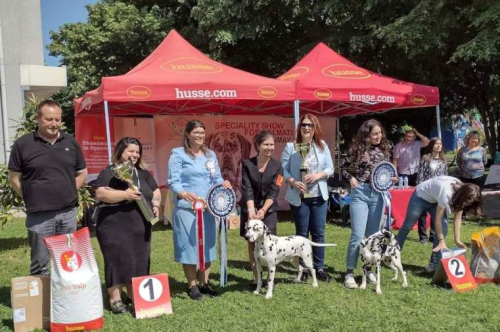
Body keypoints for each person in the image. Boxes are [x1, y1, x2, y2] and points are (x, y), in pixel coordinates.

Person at [8, 100, 88, 276]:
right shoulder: (23, 144)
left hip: (67, 213)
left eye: (57, 120)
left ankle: (64, 298)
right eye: (49, 119)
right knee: (40, 261)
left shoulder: (71, 142)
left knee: (68, 259)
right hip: (39, 215)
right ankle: (41, 302)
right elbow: (14, 178)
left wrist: (69, 191)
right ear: (38, 118)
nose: (54, 124)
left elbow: (82, 173)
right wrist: (30, 196)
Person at [94, 137, 160, 314]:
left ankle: (135, 294)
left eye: (138, 152)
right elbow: (101, 193)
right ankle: (116, 299)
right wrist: (125, 195)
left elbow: (155, 191)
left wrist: (155, 204)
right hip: (113, 224)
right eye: (131, 151)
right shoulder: (110, 172)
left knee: (139, 259)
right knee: (116, 260)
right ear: (120, 151)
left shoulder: (143, 173)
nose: (135, 155)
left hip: (140, 225)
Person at [168, 120, 232, 300]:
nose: (200, 135)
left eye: (202, 132)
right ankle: (192, 285)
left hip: (208, 209)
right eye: (196, 132)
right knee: (189, 246)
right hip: (187, 208)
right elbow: (173, 181)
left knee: (208, 245)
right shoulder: (178, 154)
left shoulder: (210, 155)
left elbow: (216, 178)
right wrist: (184, 194)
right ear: (187, 134)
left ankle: (204, 282)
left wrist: (223, 184)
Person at [340, 119, 396, 289]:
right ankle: (349, 272)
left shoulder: (385, 150)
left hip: (378, 195)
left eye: (380, 133)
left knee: (374, 236)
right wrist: (351, 178)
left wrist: (392, 178)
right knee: (357, 235)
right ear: (366, 135)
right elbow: (342, 167)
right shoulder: (356, 150)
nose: (379, 136)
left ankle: (368, 269)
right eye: (375, 134)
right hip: (360, 193)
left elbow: (386, 171)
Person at [281, 114, 334, 282]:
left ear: (315, 128)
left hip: (319, 195)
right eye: (304, 125)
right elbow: (283, 170)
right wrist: (293, 182)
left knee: (319, 234)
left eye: (310, 125)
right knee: (302, 234)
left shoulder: (322, 146)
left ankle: (319, 268)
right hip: (299, 197)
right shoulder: (291, 147)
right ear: (299, 127)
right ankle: (303, 268)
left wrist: (319, 175)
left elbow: (330, 168)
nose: (306, 128)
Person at [396, 176, 482, 272]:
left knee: (443, 228)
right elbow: (437, 219)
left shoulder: (462, 192)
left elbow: (457, 218)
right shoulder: (446, 192)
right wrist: (441, 241)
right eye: (468, 201)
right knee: (407, 226)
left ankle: (434, 264)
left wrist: (457, 240)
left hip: (436, 199)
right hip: (420, 196)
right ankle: (393, 253)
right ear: (464, 195)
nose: (468, 204)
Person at [240, 130, 284, 289]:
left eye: (272, 144)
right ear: (257, 145)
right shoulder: (246, 164)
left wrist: (264, 210)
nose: (270, 147)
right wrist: (251, 210)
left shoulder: (278, 166)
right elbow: (246, 188)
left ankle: (268, 278)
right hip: (249, 208)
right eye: (266, 144)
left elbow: (275, 189)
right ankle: (256, 278)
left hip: (268, 210)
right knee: (252, 243)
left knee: (269, 243)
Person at [415, 138, 448, 244]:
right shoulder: (425, 158)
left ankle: (433, 235)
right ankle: (423, 237)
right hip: (425, 191)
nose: (438, 146)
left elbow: (445, 176)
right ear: (431, 146)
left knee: (437, 214)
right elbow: (420, 175)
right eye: (436, 144)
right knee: (422, 214)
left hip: (438, 192)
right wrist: (420, 188)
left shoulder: (443, 160)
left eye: (440, 144)